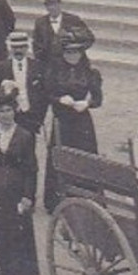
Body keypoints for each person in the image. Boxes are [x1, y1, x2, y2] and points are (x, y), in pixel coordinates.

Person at [0, 103, 41, 275]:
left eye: (9, 110)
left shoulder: (25, 135)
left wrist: (27, 196)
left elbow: (31, 168)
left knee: (16, 233)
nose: (6, 114)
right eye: (1, 110)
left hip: (15, 190)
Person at [42, 34, 102, 211]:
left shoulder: (90, 72)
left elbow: (98, 98)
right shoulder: (55, 72)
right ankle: (57, 199)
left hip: (82, 121)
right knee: (60, 155)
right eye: (68, 53)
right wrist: (60, 99)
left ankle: (86, 197)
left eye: (76, 52)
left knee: (84, 156)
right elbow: (47, 93)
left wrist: (87, 103)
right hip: (63, 120)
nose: (72, 56)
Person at [30, 0, 93, 64]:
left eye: (54, 4)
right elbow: (36, 45)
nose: (52, 8)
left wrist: (77, 52)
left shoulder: (73, 20)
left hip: (71, 63)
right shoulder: (41, 23)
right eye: (48, 5)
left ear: (60, 4)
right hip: (50, 65)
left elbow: (89, 38)